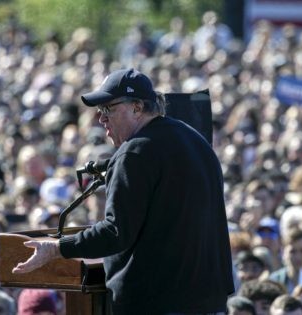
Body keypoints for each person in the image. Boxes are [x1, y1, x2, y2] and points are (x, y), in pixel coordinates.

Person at [12, 68, 234, 314]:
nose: (101, 119)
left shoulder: (135, 152)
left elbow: (116, 232)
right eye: (99, 111)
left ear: (137, 108)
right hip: (207, 301)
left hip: (158, 303)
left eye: (109, 109)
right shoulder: (195, 140)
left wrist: (56, 248)